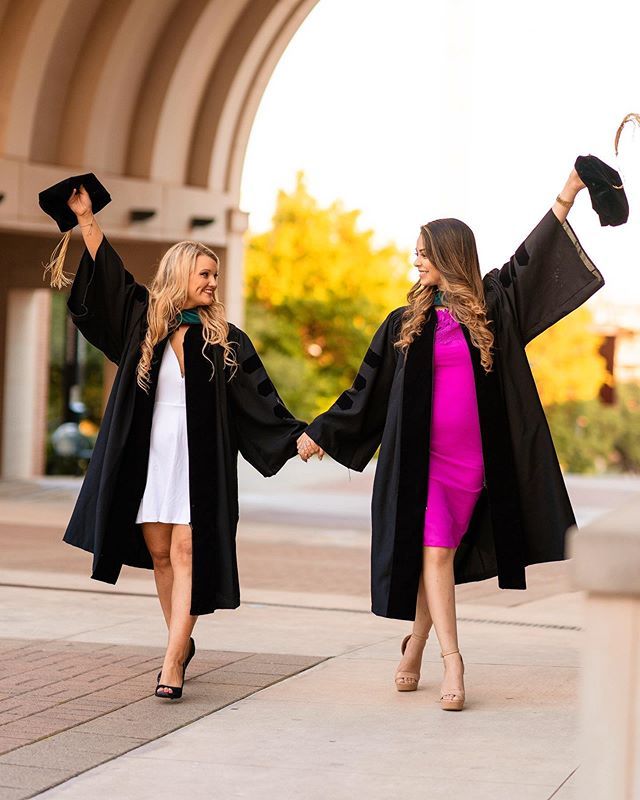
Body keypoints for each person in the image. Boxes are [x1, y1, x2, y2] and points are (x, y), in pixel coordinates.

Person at [297, 165, 604, 711]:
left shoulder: (492, 308)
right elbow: (364, 389)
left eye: (423, 251)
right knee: (436, 552)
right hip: (422, 462)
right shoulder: (403, 323)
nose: (415, 260)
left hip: (474, 465)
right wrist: (323, 432)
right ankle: (453, 661)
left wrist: (571, 190)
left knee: (433, 558)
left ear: (449, 254)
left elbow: (532, 258)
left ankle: (413, 644)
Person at [59, 184, 306, 700]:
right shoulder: (144, 322)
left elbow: (261, 402)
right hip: (153, 456)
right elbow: (109, 274)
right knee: (160, 553)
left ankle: (173, 658)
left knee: (189, 547)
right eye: (205, 275)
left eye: (215, 275)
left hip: (200, 462)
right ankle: (181, 635)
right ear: (180, 276)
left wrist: (297, 436)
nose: (213, 283)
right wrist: (85, 217)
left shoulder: (226, 341)